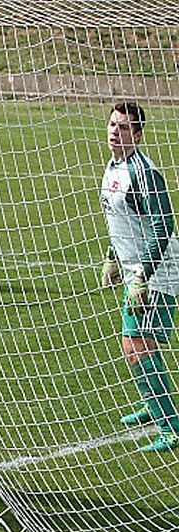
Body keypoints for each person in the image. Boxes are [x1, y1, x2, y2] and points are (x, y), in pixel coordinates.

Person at [100, 102, 179, 452]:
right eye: (113, 125)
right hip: (136, 269)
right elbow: (123, 224)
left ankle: (171, 426)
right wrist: (112, 258)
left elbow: (164, 224)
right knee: (134, 346)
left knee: (137, 347)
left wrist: (142, 275)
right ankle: (153, 404)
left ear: (139, 134)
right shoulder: (113, 166)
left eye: (126, 127)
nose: (117, 131)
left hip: (158, 272)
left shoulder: (143, 173)